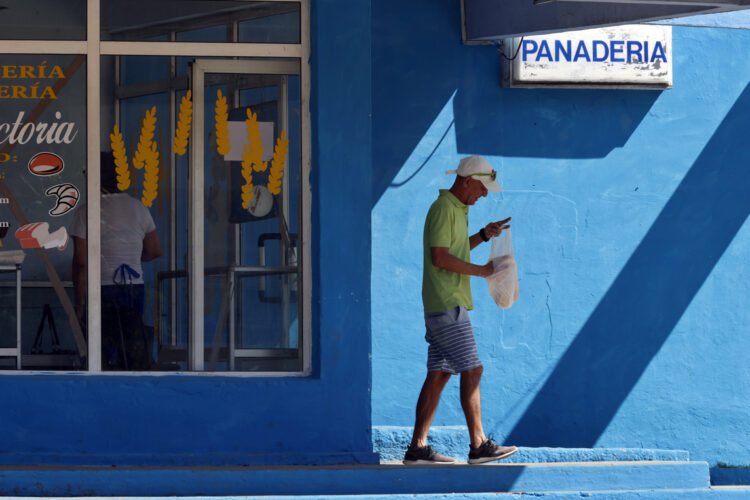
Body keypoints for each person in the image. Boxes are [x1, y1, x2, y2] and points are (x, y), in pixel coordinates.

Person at [403, 155, 517, 465]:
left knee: (439, 374)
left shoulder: (456, 209)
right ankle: (479, 444)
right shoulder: (443, 209)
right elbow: (440, 258)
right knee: (473, 369)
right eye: (482, 188)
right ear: (466, 181)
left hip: (442, 303)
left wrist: (483, 235)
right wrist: (483, 272)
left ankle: (417, 448)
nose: (483, 195)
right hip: (447, 302)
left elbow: (453, 250)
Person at [70, 152, 162, 369]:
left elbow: (82, 262)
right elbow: (155, 250)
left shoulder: (87, 212)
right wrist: (128, 256)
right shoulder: (139, 208)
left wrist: (80, 304)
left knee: (103, 349)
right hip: (133, 286)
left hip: (101, 287)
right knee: (131, 346)